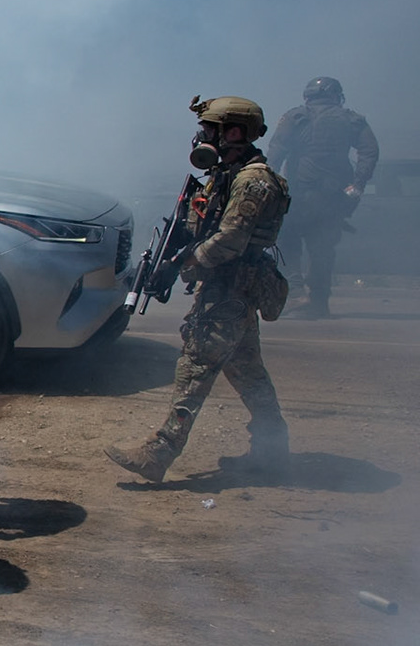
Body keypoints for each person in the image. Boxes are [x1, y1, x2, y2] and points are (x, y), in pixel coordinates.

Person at [107, 96, 292, 483]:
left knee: (195, 366)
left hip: (230, 288)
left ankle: (159, 453)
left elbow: (230, 240)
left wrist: (182, 264)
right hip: (229, 287)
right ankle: (272, 452)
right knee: (248, 372)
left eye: (209, 129)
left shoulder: (252, 181)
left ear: (235, 132)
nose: (201, 136)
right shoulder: (228, 175)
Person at [271, 76, 377, 319]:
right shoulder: (351, 119)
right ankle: (318, 301)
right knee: (322, 249)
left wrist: (268, 182)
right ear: (335, 94)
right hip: (333, 198)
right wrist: (358, 183)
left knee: (286, 243)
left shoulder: (294, 117)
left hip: (297, 195)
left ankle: (297, 293)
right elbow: (370, 151)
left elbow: (277, 151)